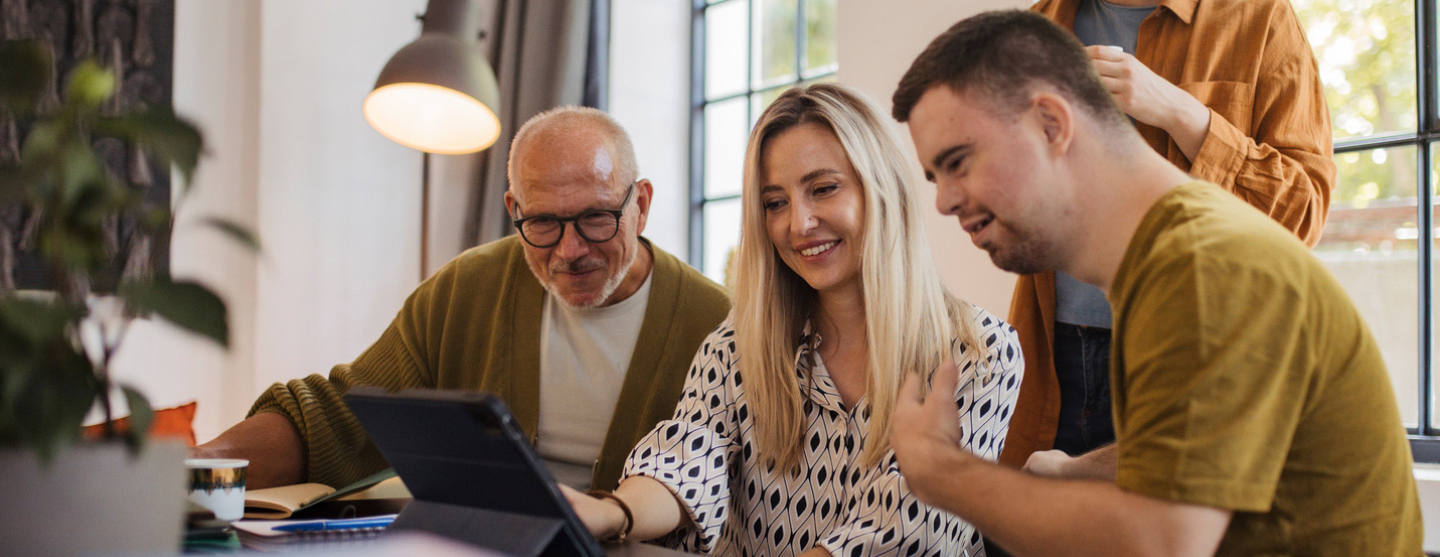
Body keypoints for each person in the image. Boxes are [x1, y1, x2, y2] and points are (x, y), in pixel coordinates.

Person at [888, 10, 1420, 556]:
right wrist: (1077, 471)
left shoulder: (1200, 266)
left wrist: (943, 472)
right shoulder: (1170, 256)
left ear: (1052, 124)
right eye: (936, 177)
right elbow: (1221, 443)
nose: (944, 201)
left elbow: (1162, 545)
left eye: (959, 162)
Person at [562, 83, 1023, 556]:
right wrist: (612, 512)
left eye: (823, 189)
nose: (798, 224)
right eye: (775, 203)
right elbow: (687, 460)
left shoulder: (980, 351)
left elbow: (909, 526)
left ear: (882, 187)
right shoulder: (735, 347)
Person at [192, 107, 731, 492]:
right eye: (541, 222)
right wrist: (198, 465)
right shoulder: (465, 290)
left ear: (640, 203)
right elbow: (339, 416)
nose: (570, 250)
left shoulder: (719, 324)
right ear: (512, 208)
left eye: (595, 217)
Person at [1003, 0, 1337, 476]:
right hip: (1049, 361)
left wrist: (1182, 115)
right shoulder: (1039, 23)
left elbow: (1302, 214)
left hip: (1195, 360)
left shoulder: (1260, 18)